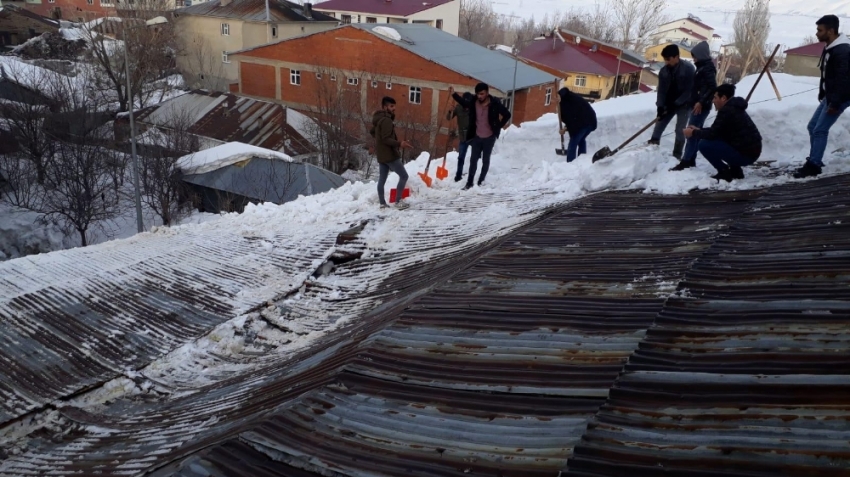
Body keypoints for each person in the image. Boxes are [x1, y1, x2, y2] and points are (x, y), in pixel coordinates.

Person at [793, 14, 850, 178]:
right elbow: (828, 74)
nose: (817, 33)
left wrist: (835, 103)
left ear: (831, 31)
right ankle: (815, 158)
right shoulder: (831, 46)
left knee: (820, 130)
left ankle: (814, 165)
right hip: (831, 95)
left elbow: (844, 80)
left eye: (820, 30)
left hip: (840, 97)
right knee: (813, 127)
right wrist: (823, 91)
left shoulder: (842, 51)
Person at [684, 84, 762, 182]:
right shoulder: (733, 107)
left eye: (715, 98)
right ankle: (735, 171)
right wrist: (698, 130)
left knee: (704, 144)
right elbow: (717, 131)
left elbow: (712, 134)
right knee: (722, 139)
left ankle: (724, 171)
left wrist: (693, 133)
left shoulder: (727, 111)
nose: (713, 101)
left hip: (746, 155)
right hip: (750, 152)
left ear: (723, 98)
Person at [449, 82, 511, 190]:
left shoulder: (495, 103)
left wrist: (498, 126)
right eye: (478, 94)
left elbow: (507, 114)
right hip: (477, 137)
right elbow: (464, 103)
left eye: (482, 94)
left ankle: (481, 181)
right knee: (473, 160)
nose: (479, 96)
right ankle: (469, 183)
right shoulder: (474, 102)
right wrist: (454, 94)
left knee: (485, 160)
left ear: (487, 93)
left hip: (489, 138)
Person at [672, 41, 717, 171]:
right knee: (695, 132)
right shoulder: (703, 66)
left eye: (695, 56)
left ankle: (686, 161)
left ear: (701, 55)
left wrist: (700, 102)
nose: (694, 58)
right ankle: (690, 159)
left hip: (701, 106)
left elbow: (712, 87)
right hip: (699, 104)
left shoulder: (707, 68)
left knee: (691, 132)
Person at [649, 44, 695, 160]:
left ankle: (677, 156)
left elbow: (689, 91)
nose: (666, 62)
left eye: (668, 59)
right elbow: (661, 91)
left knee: (680, 129)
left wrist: (676, 103)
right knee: (659, 125)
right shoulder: (664, 71)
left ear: (676, 57)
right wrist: (660, 106)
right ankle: (651, 150)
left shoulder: (688, 69)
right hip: (668, 103)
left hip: (684, 103)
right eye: (665, 60)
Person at [370, 96, 413, 209]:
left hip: (381, 155)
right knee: (404, 176)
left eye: (394, 106)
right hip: (389, 155)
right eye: (391, 106)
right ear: (385, 107)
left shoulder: (378, 118)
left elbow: (372, 132)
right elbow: (385, 138)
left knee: (382, 179)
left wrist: (379, 141)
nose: (394, 108)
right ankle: (398, 202)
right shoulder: (387, 120)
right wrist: (400, 144)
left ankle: (382, 203)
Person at [558, 82, 597, 162]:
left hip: (584, 123)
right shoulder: (570, 98)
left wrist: (565, 129)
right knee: (581, 139)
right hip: (590, 121)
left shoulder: (566, 104)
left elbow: (572, 120)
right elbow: (573, 118)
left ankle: (570, 163)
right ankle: (581, 160)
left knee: (573, 142)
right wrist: (566, 128)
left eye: (557, 97)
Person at [446, 92, 474, 182]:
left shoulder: (473, 108)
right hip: (463, 137)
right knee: (461, 157)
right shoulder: (458, 108)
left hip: (473, 136)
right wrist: (450, 111)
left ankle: (474, 175)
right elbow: (448, 118)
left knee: (476, 156)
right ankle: (458, 175)